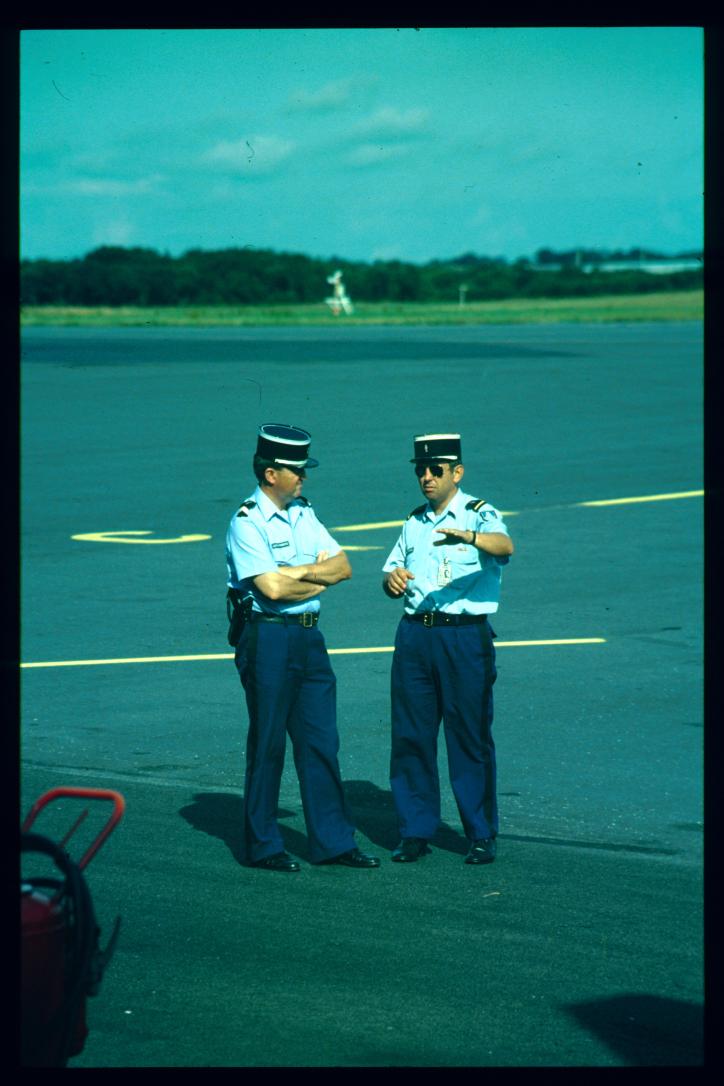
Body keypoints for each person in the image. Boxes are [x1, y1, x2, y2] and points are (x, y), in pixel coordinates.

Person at [226, 423, 380, 873]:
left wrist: (295, 574)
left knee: (320, 742)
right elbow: (270, 589)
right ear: (271, 473)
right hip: (267, 637)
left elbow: (344, 567)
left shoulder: (304, 514)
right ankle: (263, 845)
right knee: (268, 741)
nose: (303, 478)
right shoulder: (246, 521)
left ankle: (333, 842)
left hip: (309, 639)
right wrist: (310, 574)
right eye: (296, 470)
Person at [381, 433, 514, 865]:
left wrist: (471, 537)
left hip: (463, 636)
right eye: (420, 469)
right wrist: (393, 580)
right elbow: (392, 570)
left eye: (435, 470)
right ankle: (415, 830)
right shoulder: (414, 521)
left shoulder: (480, 513)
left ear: (457, 472)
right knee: (411, 736)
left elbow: (505, 547)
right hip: (416, 635)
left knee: (468, 735)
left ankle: (479, 833)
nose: (426, 477)